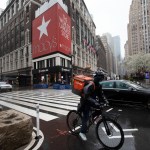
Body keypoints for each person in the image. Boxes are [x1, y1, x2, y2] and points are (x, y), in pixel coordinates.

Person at [79, 71, 108, 141]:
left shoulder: (99, 85)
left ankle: (91, 117)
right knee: (85, 117)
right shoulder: (91, 85)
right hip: (85, 102)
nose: (101, 79)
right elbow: (86, 96)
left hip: (92, 102)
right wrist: (96, 102)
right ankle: (82, 132)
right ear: (96, 77)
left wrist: (105, 101)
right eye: (100, 78)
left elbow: (101, 95)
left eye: (102, 78)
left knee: (99, 109)